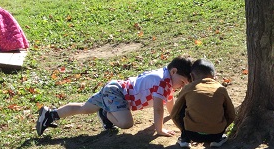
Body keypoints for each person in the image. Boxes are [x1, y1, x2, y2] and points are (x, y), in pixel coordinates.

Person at [36, 56, 193, 137]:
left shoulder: (167, 79)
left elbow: (169, 101)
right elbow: (158, 108)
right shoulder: (161, 82)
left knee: (85, 108)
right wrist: (159, 130)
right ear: (174, 72)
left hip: (115, 89)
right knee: (126, 123)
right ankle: (106, 113)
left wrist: (173, 116)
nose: (182, 86)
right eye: (182, 82)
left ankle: (51, 114)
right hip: (117, 93)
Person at [170, 58, 236, 149]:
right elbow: (231, 114)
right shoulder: (221, 89)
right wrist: (221, 127)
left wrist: (183, 130)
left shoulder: (188, 88)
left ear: (192, 76)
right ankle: (218, 140)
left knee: (184, 105)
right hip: (216, 134)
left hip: (192, 134)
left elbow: (175, 113)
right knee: (222, 106)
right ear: (214, 76)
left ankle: (184, 139)